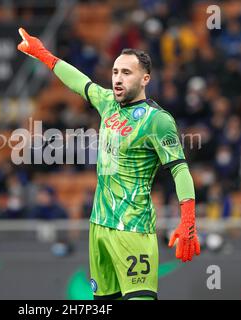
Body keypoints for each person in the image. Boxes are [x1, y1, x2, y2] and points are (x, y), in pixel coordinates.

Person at [17, 28, 200, 300]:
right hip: (99, 226)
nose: (117, 79)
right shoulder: (107, 104)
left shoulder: (157, 120)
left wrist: (188, 220)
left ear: (145, 78)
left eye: (126, 73)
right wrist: (43, 54)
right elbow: (79, 81)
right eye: (115, 72)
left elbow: (179, 169)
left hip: (133, 227)